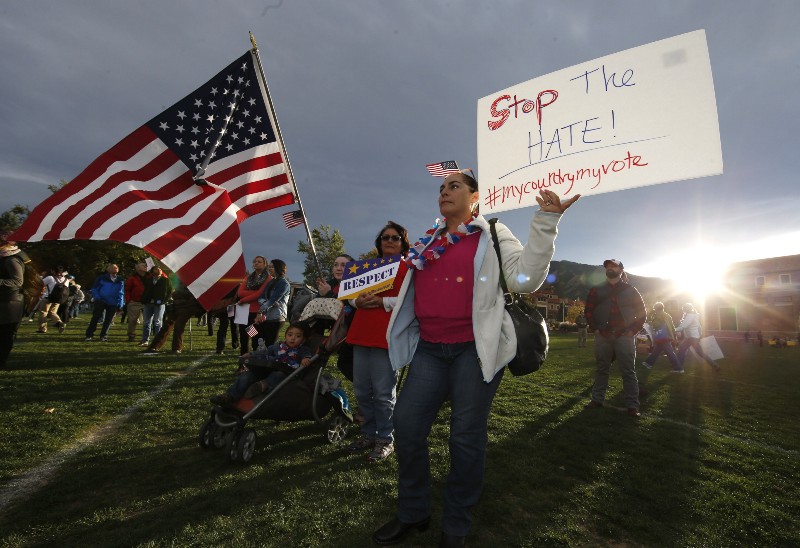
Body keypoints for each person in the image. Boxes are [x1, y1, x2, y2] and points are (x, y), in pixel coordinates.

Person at [373, 172, 579, 546]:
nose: (444, 192)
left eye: (454, 187)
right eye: (441, 188)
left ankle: (456, 524)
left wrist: (547, 220)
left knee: (465, 438)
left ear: (476, 198)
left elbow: (525, 279)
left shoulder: (493, 233)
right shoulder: (428, 240)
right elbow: (418, 291)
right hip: (430, 349)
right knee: (406, 427)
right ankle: (414, 512)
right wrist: (384, 300)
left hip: (474, 349)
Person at [346, 222, 410, 462]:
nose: (389, 241)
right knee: (363, 391)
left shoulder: (408, 269)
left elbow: (410, 301)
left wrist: (383, 302)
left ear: (403, 243)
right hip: (361, 334)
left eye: (395, 238)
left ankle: (385, 438)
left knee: (383, 394)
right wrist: (356, 303)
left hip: (386, 338)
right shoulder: (367, 268)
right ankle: (369, 433)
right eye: (385, 237)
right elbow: (351, 296)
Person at [583, 259, 647, 418]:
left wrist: (633, 330)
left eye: (614, 266)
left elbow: (642, 312)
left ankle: (633, 405)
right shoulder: (596, 290)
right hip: (603, 335)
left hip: (625, 336)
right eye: (608, 266)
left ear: (621, 269)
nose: (610, 268)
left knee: (628, 371)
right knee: (601, 368)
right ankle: (597, 400)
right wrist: (595, 329)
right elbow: (588, 311)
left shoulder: (631, 290)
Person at [210, 322, 314, 405]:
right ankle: (229, 396)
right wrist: (251, 354)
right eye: (290, 335)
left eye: (298, 336)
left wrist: (305, 358)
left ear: (304, 339)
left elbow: (306, 354)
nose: (292, 338)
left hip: (286, 373)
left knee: (277, 375)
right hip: (268, 369)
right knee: (247, 375)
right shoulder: (278, 346)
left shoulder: (302, 349)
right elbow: (265, 352)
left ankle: (262, 386)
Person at [142, 281, 205, 354]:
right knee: (167, 325)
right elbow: (177, 294)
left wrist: (177, 295)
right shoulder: (181, 281)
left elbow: (191, 294)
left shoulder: (195, 281)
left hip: (189, 306)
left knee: (179, 325)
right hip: (177, 306)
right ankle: (154, 346)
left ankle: (176, 348)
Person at [234, 256, 271, 355]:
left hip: (255, 312)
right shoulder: (248, 277)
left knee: (255, 337)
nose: (256, 263)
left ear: (265, 264)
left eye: (259, 262)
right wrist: (253, 293)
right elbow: (240, 292)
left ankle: (254, 360)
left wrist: (243, 299)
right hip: (242, 310)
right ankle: (243, 362)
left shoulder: (268, 278)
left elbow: (260, 294)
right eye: (254, 261)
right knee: (243, 337)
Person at [0, 234, 25, 368]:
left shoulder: (11, 260)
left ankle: (2, 361)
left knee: (6, 334)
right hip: (4, 301)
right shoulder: (4, 258)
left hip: (10, 303)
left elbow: (17, 281)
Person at [255, 259, 291, 346]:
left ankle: (271, 359)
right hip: (268, 316)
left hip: (277, 317)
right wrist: (267, 303)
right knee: (259, 338)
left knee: (270, 343)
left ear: (279, 268)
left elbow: (273, 300)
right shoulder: (271, 282)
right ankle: (261, 357)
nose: (269, 269)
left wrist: (260, 311)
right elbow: (261, 297)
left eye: (272, 267)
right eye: (269, 267)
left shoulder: (284, 283)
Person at [85, 264, 125, 342]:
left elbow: (121, 292)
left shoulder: (120, 280)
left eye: (116, 267)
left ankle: (103, 335)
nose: (115, 268)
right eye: (113, 267)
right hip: (101, 301)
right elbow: (94, 288)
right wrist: (98, 297)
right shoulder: (101, 278)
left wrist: (121, 302)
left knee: (109, 320)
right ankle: (89, 335)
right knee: (95, 318)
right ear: (108, 269)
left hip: (113, 302)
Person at [675, 302, 720, 371]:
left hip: (691, 337)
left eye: (683, 308)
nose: (683, 309)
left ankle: (678, 367)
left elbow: (684, 325)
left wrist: (673, 330)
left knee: (682, 349)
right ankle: (714, 364)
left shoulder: (690, 316)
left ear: (686, 309)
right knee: (700, 352)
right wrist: (699, 335)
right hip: (694, 337)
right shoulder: (694, 315)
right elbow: (699, 327)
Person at [641, 302, 682, 372]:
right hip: (667, 336)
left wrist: (651, 323)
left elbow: (656, 325)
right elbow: (672, 327)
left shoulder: (658, 315)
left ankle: (678, 368)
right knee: (657, 350)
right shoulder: (668, 315)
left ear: (656, 308)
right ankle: (648, 363)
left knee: (670, 353)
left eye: (654, 308)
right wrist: (674, 336)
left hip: (662, 336)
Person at [140, 266, 172, 345]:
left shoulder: (166, 280)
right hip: (148, 303)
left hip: (159, 303)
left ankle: (157, 341)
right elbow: (145, 289)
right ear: (152, 271)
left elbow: (169, 291)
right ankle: (145, 340)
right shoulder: (148, 280)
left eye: (160, 269)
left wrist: (164, 301)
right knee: (146, 322)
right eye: (156, 269)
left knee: (157, 322)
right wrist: (144, 299)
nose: (158, 270)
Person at [37, 268, 69, 334]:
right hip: (58, 299)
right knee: (53, 313)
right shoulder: (66, 280)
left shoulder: (50, 278)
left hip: (47, 297)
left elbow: (40, 283)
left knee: (43, 312)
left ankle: (42, 328)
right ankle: (59, 322)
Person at [124, 261, 148, 342]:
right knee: (132, 320)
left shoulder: (151, 276)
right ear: (137, 268)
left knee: (147, 321)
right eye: (143, 265)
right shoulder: (132, 278)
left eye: (145, 265)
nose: (145, 266)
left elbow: (163, 276)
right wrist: (128, 301)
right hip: (134, 302)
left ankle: (146, 336)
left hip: (147, 302)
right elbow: (127, 290)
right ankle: (131, 335)